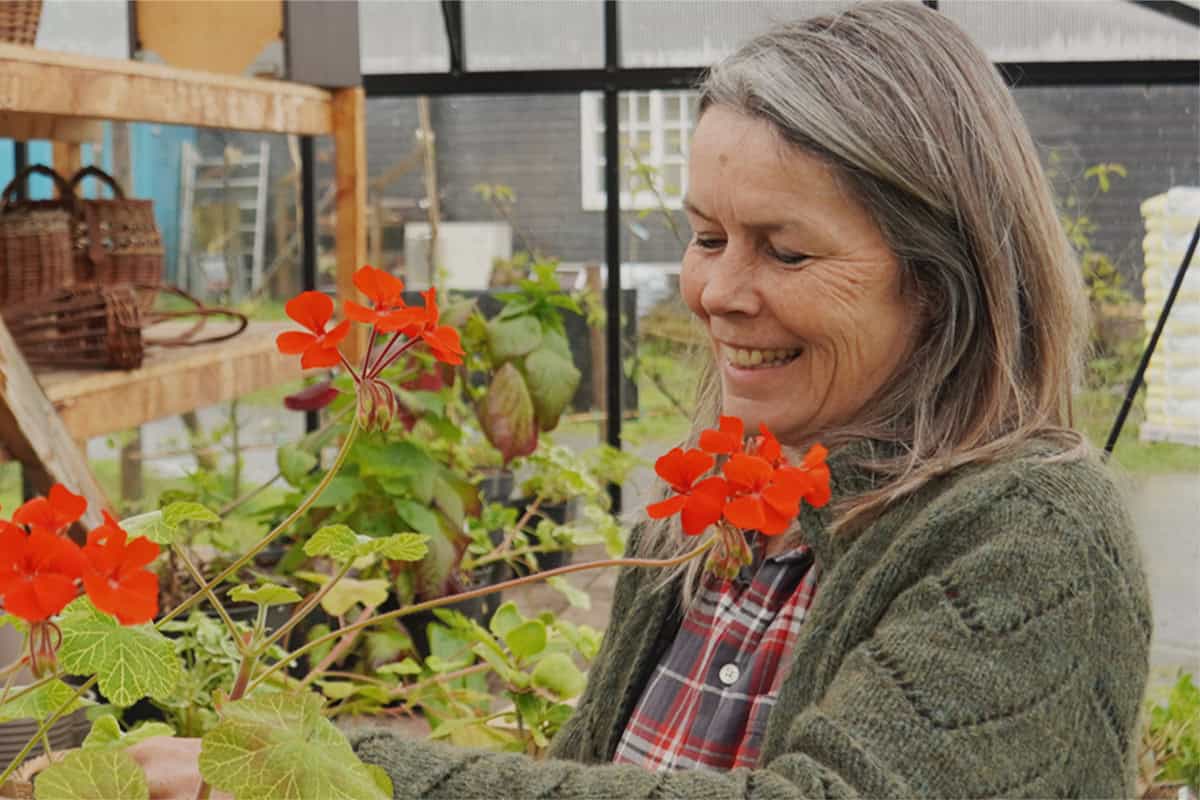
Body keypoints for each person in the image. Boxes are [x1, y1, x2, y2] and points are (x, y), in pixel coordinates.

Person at [132, 2, 1151, 796]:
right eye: (708, 236)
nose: (714, 291)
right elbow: (595, 768)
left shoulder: (1033, 533)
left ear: (939, 281)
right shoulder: (718, 504)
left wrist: (341, 777)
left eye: (784, 249)